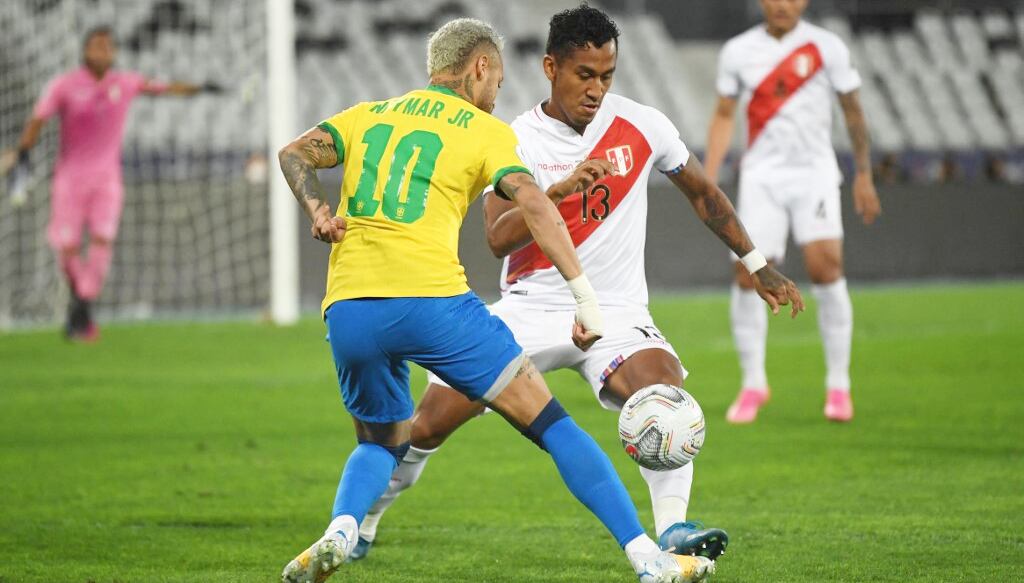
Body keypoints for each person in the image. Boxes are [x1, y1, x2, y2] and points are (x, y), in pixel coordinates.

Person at [349, 4, 804, 568]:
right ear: (550, 68)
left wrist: (757, 262)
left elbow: (703, 193)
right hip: (529, 307)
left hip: (613, 309)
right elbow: (497, 238)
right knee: (426, 425)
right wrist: (557, 192)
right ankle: (367, 520)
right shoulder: (511, 138)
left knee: (663, 395)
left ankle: (673, 530)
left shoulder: (643, 125)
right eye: (583, 75)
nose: (596, 89)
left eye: (606, 76)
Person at [276, 18, 721, 583]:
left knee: (385, 440)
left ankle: (342, 528)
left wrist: (318, 209)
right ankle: (648, 558)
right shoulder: (485, 129)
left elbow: (294, 154)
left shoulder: (367, 114)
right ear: (480, 67)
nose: (499, 93)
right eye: (499, 79)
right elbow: (531, 206)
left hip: (349, 308)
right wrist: (583, 296)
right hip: (433, 303)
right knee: (555, 425)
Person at [704, 0, 881, 423]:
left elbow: (853, 111)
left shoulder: (827, 46)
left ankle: (839, 385)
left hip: (814, 174)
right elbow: (724, 115)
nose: (783, 4)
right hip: (762, 177)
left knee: (826, 269)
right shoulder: (738, 51)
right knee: (748, 274)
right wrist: (706, 177)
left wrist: (863, 175)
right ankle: (752, 384)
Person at [0, 26, 219, 341]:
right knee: (66, 248)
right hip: (70, 179)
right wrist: (23, 153)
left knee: (102, 242)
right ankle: (83, 309)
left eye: (107, 47)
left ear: (113, 53)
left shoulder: (125, 82)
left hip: (107, 180)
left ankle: (81, 310)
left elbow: (164, 88)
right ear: (85, 51)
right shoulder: (64, 85)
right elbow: (37, 119)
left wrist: (200, 88)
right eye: (96, 46)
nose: (102, 52)